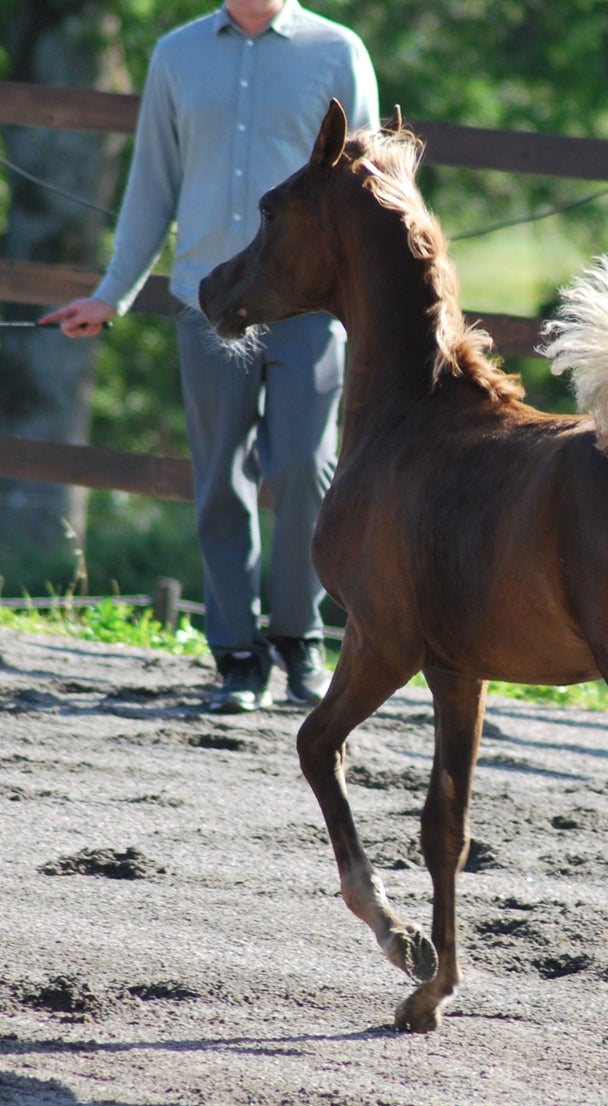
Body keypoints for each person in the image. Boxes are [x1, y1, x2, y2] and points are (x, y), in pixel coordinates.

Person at [41, 0, 379, 714]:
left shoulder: (338, 51)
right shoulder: (176, 54)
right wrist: (112, 293)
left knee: (304, 467)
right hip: (208, 300)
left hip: (307, 306)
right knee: (220, 475)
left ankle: (299, 636)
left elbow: (368, 186)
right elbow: (153, 184)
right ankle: (236, 654)